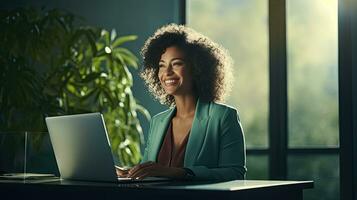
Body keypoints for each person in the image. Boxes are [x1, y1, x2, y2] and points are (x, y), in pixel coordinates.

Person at [116, 23, 246, 181]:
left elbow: (235, 173)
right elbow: (152, 170)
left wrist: (178, 172)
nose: (167, 73)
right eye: (161, 66)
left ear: (197, 68)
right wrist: (131, 172)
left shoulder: (224, 117)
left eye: (176, 64)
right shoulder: (158, 121)